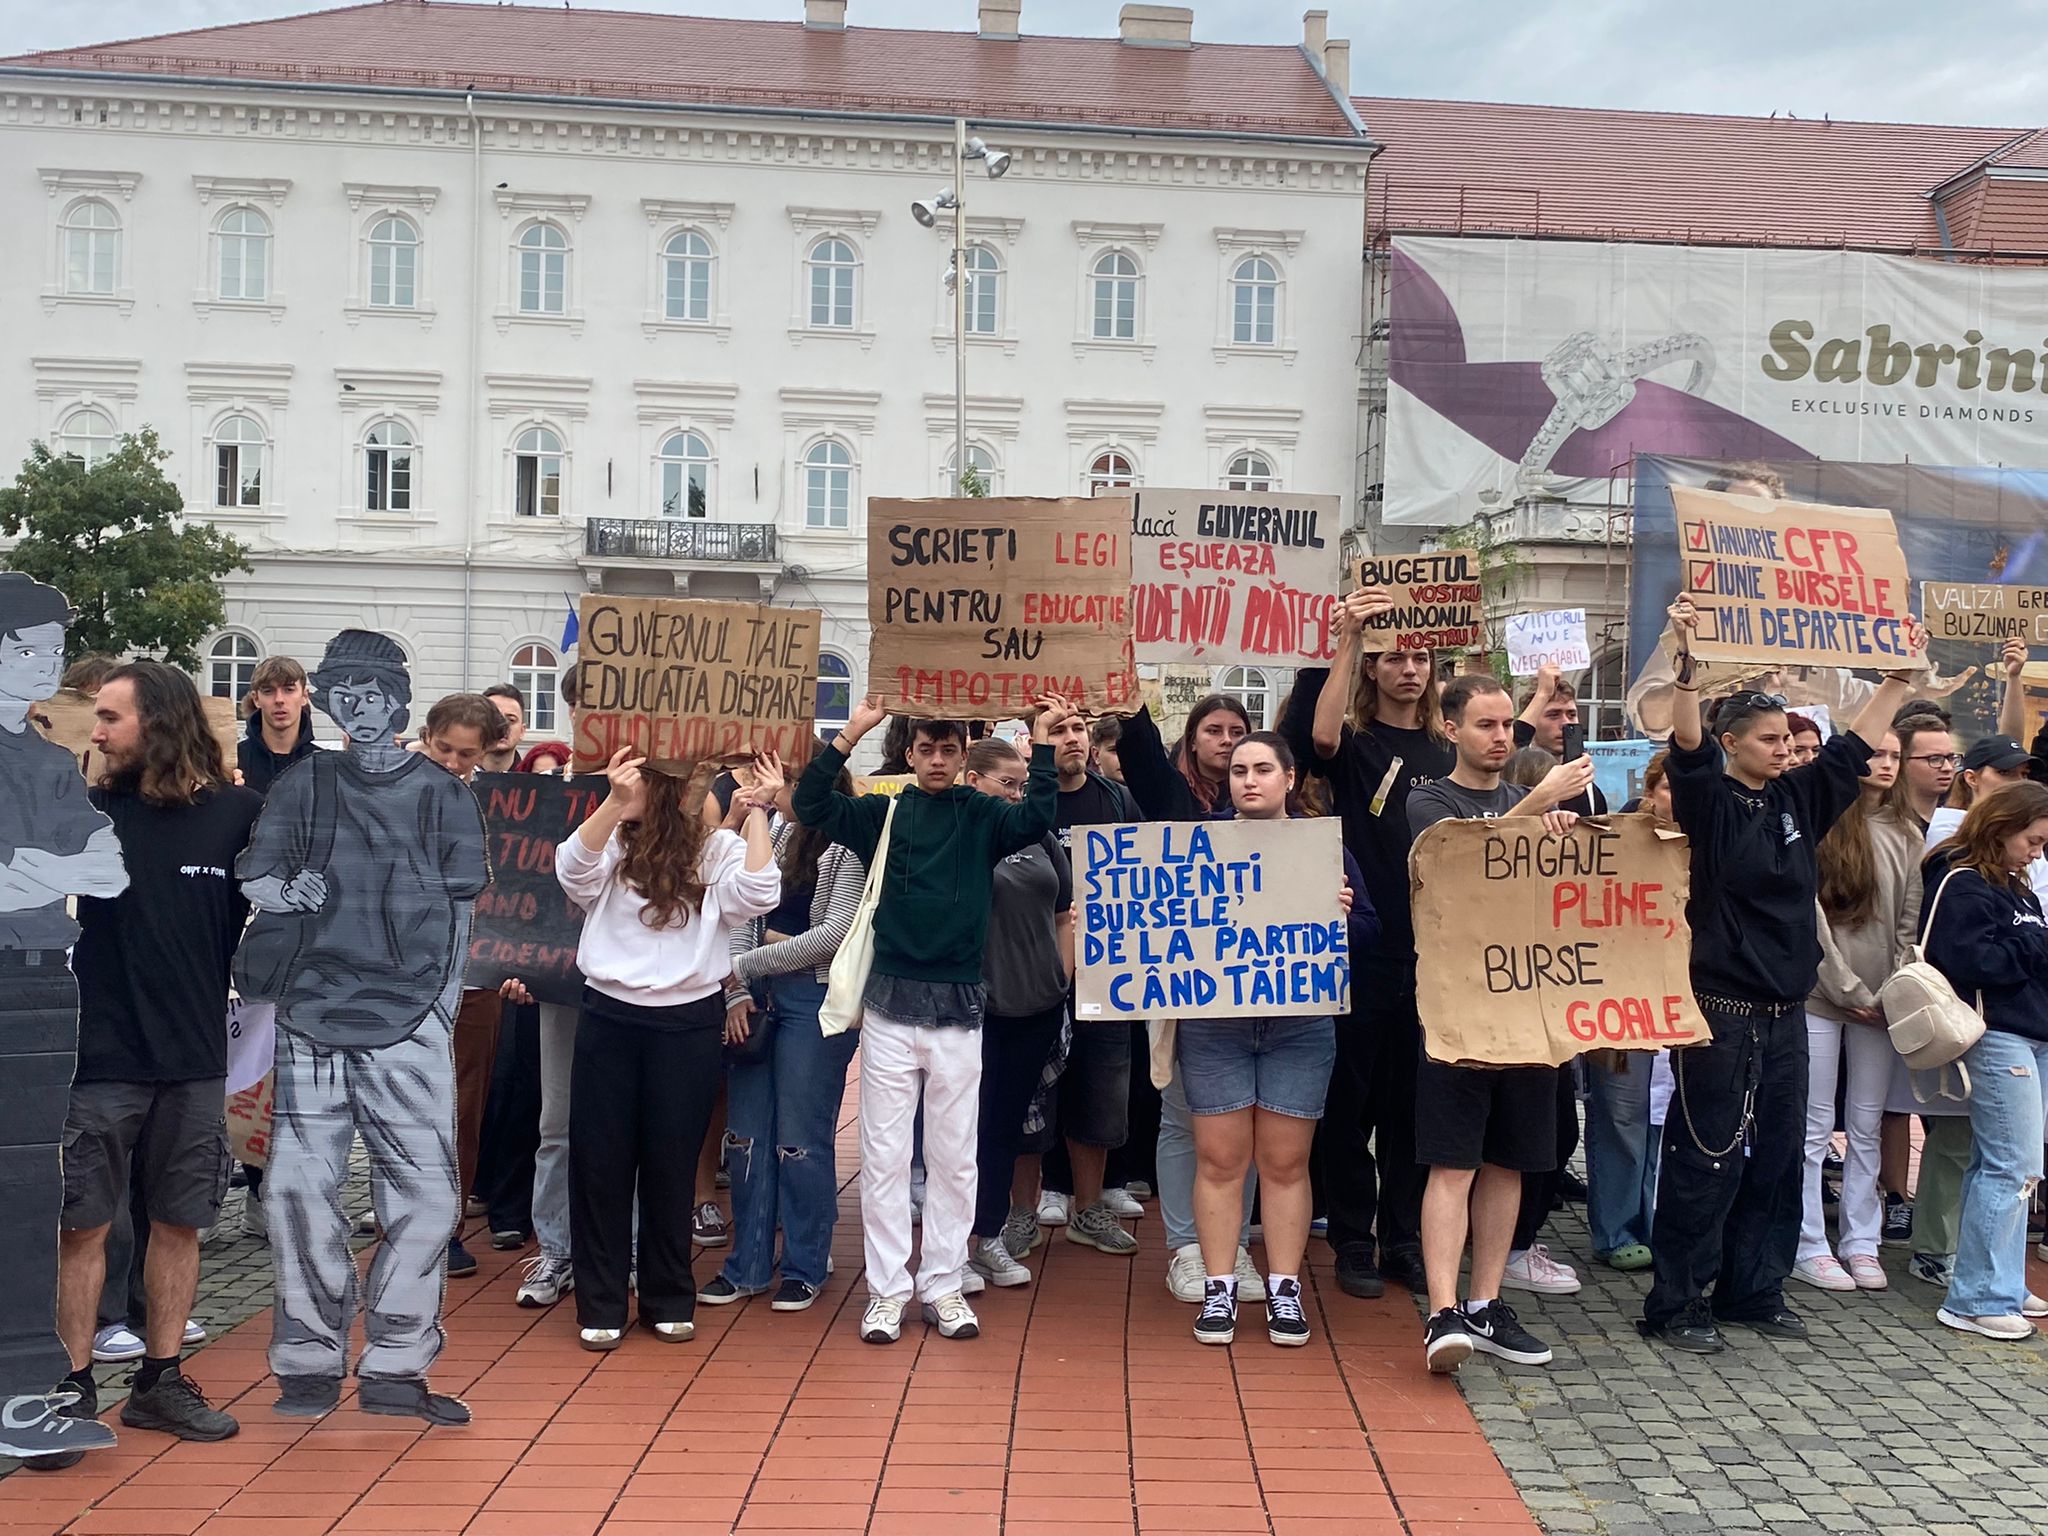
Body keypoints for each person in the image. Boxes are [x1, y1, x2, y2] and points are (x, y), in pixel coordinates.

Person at [1639, 598, 1925, 1355]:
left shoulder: (1800, 797)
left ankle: (1752, 1287)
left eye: (1786, 739)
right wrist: (1690, 666)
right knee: (1708, 1153)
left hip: (1784, 1009)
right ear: (1733, 743)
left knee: (1777, 1152)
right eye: (1767, 739)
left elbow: (1848, 751)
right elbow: (1688, 742)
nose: (1782, 749)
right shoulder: (1710, 799)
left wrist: (1895, 680)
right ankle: (1677, 1301)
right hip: (1722, 1008)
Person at [236, 630, 488, 1425]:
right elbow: (255, 876)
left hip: (408, 1022)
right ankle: (309, 1360)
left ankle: (398, 1363)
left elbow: (461, 910)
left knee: (423, 1196)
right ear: (330, 700)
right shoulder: (304, 784)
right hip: (312, 1014)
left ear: (397, 702)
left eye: (373, 693)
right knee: (298, 1192)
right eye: (345, 692)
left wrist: (440, 1008)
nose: (359, 705)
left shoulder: (444, 793)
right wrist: (284, 892)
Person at [792, 695, 1066, 1346]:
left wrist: (1045, 746)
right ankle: (887, 1291)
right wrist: (849, 734)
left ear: (961, 756)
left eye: (949, 750)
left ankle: (942, 1284)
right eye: (927, 749)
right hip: (890, 1006)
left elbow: (1037, 816)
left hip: (961, 1007)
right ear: (910, 755)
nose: (938, 759)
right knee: (884, 1157)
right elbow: (811, 808)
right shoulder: (884, 811)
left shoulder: (982, 813)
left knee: (954, 1159)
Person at [47, 663, 263, 1450]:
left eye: (110, 718)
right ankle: (69, 1393)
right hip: (96, 1058)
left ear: (159, 723)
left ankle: (159, 1383)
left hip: (195, 1062)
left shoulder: (241, 814)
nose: (96, 732)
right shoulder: (84, 812)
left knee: (180, 1223)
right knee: (83, 1228)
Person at [555, 747, 780, 1351]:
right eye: (681, 782)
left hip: (686, 1021)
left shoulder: (717, 848)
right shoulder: (616, 841)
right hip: (610, 1014)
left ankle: (667, 1296)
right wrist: (614, 801)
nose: (694, 792)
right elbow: (572, 871)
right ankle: (600, 1301)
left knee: (672, 1163)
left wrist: (757, 808)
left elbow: (759, 894)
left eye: (700, 783)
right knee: (600, 1163)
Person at [1405, 673, 1596, 1373]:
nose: (1498, 737)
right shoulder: (1429, 799)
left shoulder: (1528, 804)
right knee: (1453, 1162)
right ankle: (1442, 1310)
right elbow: (1454, 865)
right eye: (1484, 725)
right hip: (1458, 1013)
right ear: (1450, 728)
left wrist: (1567, 837)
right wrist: (1540, 804)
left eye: (1505, 724)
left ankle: (1485, 1302)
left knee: (1509, 1160)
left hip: (1526, 1009)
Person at [1288, 588, 1461, 1300]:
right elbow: (1318, 740)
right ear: (1373, 670)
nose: (1408, 670)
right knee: (1351, 1101)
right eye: (1393, 659)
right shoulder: (1358, 746)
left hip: (1438, 954)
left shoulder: (1448, 750)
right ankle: (1352, 1240)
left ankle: (1403, 1239)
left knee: (1414, 1106)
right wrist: (1348, 639)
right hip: (1365, 948)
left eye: (1419, 657)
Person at [1185, 732, 1377, 1348]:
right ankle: (1219, 1288)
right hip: (1216, 1027)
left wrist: (1347, 919)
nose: (1249, 780)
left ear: (1289, 778)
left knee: (1286, 1163)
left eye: (1263, 769)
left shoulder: (1325, 848)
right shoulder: (1194, 845)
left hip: (1299, 1026)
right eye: (1238, 770)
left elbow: (1373, 932)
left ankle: (1285, 1290)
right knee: (1219, 1161)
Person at [0, 574, 131, 1464]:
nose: (45, 662)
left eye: (54, 647)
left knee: (31, 1189)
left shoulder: (51, 762)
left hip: (45, 986)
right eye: (28, 646)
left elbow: (111, 870)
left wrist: (29, 870)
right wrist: (57, 869)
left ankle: (18, 1392)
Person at [1105, 696, 1266, 1304]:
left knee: (1247, 1127)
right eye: (1214, 731)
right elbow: (1142, 758)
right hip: (1182, 987)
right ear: (1192, 740)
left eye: (1238, 732)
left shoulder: (1279, 818)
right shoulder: (1177, 805)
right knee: (1180, 1118)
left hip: (1257, 995)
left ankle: (1236, 1247)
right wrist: (1130, 696)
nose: (1227, 743)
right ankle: (1187, 1250)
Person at [702, 749, 866, 1312]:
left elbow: (833, 937)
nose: (772, 788)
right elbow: (738, 913)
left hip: (816, 1001)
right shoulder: (769, 831)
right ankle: (745, 1264)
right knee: (747, 1135)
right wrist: (737, 991)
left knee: (800, 1138)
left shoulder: (849, 843)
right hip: (756, 996)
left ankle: (804, 1262)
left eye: (786, 781)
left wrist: (745, 966)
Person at [1921, 780, 2048, 1339]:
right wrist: (2032, 947)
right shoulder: (1965, 883)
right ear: (2002, 829)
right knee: (2012, 1167)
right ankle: (1976, 1296)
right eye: (2033, 840)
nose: (2037, 852)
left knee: (2000, 1166)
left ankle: (1993, 1279)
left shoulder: (2015, 887)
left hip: (2028, 1031)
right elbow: (1971, 962)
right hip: (1999, 1034)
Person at [1795, 731, 1915, 1294]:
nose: (1886, 764)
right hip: (1824, 997)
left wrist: (1892, 989)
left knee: (1866, 1124)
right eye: (1878, 753)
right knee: (1815, 1125)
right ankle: (1809, 1241)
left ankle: (1861, 1241)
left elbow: (1910, 925)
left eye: (1895, 755)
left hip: (1883, 1005)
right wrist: (1847, 988)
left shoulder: (1909, 833)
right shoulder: (1822, 822)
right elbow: (1812, 918)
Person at [955, 738, 1073, 1290]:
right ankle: (950, 1246)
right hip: (978, 1008)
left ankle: (988, 1238)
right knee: (959, 1130)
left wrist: (1062, 979)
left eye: (1023, 785)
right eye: (1007, 784)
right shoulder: (959, 833)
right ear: (972, 780)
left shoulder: (1041, 838)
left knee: (1004, 1127)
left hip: (1038, 1006)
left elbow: (1064, 914)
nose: (1017, 795)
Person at [1029, 706, 1145, 1259]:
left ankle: (1089, 1209)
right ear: (1033, 740)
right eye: (1057, 730)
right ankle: (1019, 1215)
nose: (1072, 738)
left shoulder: (1117, 800)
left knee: (1100, 1093)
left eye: (1077, 729)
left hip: (1106, 975)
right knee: (1028, 1096)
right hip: (1031, 974)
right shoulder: (1023, 800)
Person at [413, 694, 516, 1277]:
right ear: (426, 737)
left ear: (487, 752)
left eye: (466, 755)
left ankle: (447, 1225)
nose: (453, 762)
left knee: (462, 1105)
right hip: (398, 979)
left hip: (474, 976)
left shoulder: (499, 804)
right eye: (444, 749)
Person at [1582, 754, 1674, 1273]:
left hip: (1682, 1003)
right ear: (1650, 791)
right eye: (1669, 788)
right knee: (1621, 1114)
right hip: (1620, 1003)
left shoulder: (1713, 841)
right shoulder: (1615, 842)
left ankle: (1660, 1222)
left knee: (1666, 1120)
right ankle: (1616, 1229)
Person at [1514, 665, 1607, 815]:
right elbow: (1515, 743)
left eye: (1571, 715)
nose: (1565, 723)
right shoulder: (1512, 775)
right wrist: (1542, 694)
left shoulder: (1589, 790)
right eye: (1553, 715)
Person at [237, 656, 316, 798]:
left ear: (305, 696)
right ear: (256, 699)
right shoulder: (235, 762)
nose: (279, 699)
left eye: (289, 689)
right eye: (268, 691)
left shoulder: (324, 765)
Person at [481, 684, 527, 775]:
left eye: (511, 720)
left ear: (522, 731)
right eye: (494, 718)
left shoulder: (534, 781)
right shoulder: (458, 779)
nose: (503, 725)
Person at [1090, 714, 1125, 785]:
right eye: (1114, 750)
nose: (1125, 758)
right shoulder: (1089, 794)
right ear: (1096, 755)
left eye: (1131, 750)